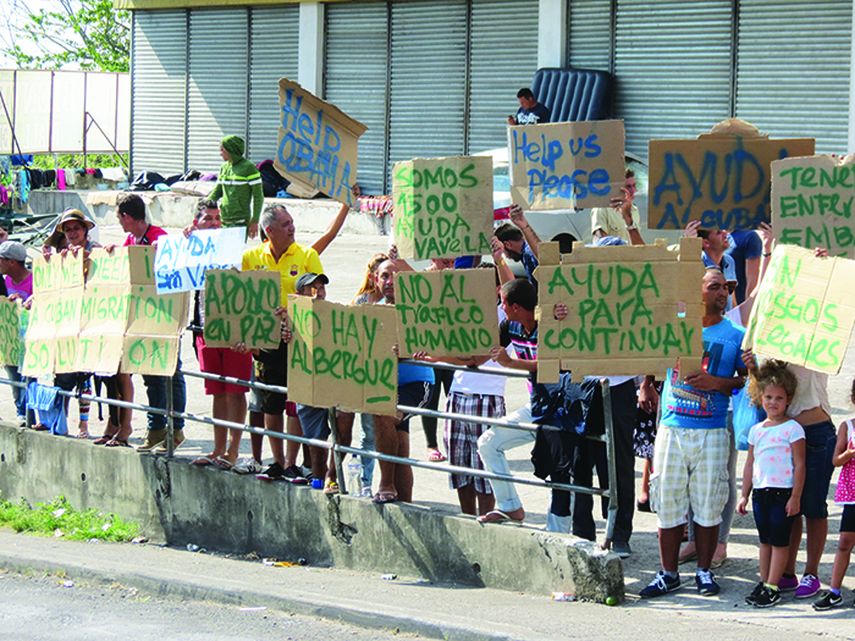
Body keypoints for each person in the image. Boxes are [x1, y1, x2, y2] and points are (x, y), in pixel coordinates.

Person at [639, 267, 747, 599]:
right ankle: (668, 573)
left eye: (726, 287)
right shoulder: (677, 326)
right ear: (697, 292)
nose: (722, 292)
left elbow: (744, 379)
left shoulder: (737, 335)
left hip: (712, 430)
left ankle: (703, 571)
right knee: (668, 502)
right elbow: (651, 351)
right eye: (715, 286)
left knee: (708, 504)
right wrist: (646, 383)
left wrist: (719, 383)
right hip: (672, 426)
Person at [244, 204, 323, 482]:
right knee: (270, 402)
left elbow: (319, 295)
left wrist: (292, 312)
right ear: (269, 230)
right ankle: (276, 462)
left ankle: (292, 463)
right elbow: (243, 299)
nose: (292, 227)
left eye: (292, 222)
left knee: (296, 402)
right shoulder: (251, 257)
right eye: (286, 223)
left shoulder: (307, 255)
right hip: (266, 343)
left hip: (299, 340)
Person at [113, 193, 188, 452]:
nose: (121, 223)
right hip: (143, 317)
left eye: (120, 218)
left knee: (171, 374)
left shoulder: (160, 237)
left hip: (165, 316)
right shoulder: (130, 240)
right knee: (150, 375)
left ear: (127, 217)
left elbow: (175, 264)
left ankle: (176, 429)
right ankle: (156, 428)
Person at [188, 201, 252, 469]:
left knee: (235, 390)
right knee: (216, 390)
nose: (214, 223)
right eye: (208, 218)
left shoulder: (234, 247)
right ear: (196, 223)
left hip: (234, 327)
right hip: (205, 327)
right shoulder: (189, 249)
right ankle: (217, 448)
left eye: (217, 218)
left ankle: (234, 450)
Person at [737, 361, 804, 608]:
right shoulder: (756, 430)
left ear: (788, 400)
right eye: (768, 397)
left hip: (782, 492)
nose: (773, 402)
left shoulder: (793, 429)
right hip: (761, 493)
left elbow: (800, 465)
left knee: (779, 541)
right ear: (760, 397)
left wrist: (795, 496)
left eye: (779, 398)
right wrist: (744, 494)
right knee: (764, 540)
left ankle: (774, 586)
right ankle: (764, 581)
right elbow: (749, 463)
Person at [370, 258, 435, 504]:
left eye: (395, 276)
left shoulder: (419, 307)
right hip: (387, 384)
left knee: (383, 413)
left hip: (418, 385)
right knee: (400, 443)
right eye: (384, 276)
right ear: (375, 280)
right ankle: (406, 504)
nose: (389, 282)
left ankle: (385, 484)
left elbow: (433, 342)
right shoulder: (372, 310)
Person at [51, 209, 100, 439]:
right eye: (68, 230)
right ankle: (60, 421)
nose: (72, 233)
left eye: (76, 228)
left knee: (85, 376)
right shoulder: (62, 256)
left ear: (85, 230)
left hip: (90, 320)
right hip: (66, 322)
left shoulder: (98, 251)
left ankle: (84, 425)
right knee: (63, 376)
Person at [813, 379, 855, 610]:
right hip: (853, 495)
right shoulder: (847, 427)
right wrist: (849, 453)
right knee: (844, 543)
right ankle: (835, 590)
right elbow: (835, 460)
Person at [0, 240, 31, 425]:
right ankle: (20, 412)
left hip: (29, 339)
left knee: (28, 377)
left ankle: (30, 413)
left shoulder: (33, 280)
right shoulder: (6, 281)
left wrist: (24, 299)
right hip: (11, 340)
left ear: (11, 261)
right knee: (13, 377)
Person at [209, 135, 263, 240]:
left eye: (222, 150)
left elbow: (258, 197)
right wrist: (201, 209)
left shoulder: (249, 168)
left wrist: (255, 221)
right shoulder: (224, 167)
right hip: (223, 220)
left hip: (240, 222)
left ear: (231, 150)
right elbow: (217, 192)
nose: (220, 153)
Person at [590, 170, 644, 246]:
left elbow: (639, 247)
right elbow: (601, 244)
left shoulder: (634, 210)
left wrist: (629, 221)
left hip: (631, 257)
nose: (633, 191)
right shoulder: (602, 209)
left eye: (634, 186)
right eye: (628, 187)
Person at [493, 206, 540, 287]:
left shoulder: (528, 255)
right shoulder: (526, 252)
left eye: (504, 252)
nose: (507, 257)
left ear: (508, 245)